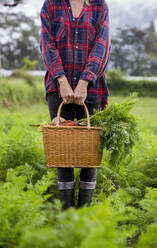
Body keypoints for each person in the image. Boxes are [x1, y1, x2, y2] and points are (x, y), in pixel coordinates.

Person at [40, 0, 110, 209]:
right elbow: (47, 43)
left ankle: (84, 215)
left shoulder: (99, 5)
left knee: (90, 151)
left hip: (92, 87)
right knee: (63, 150)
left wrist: (84, 81)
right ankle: (67, 214)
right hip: (58, 86)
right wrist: (61, 80)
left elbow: (102, 46)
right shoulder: (51, 4)